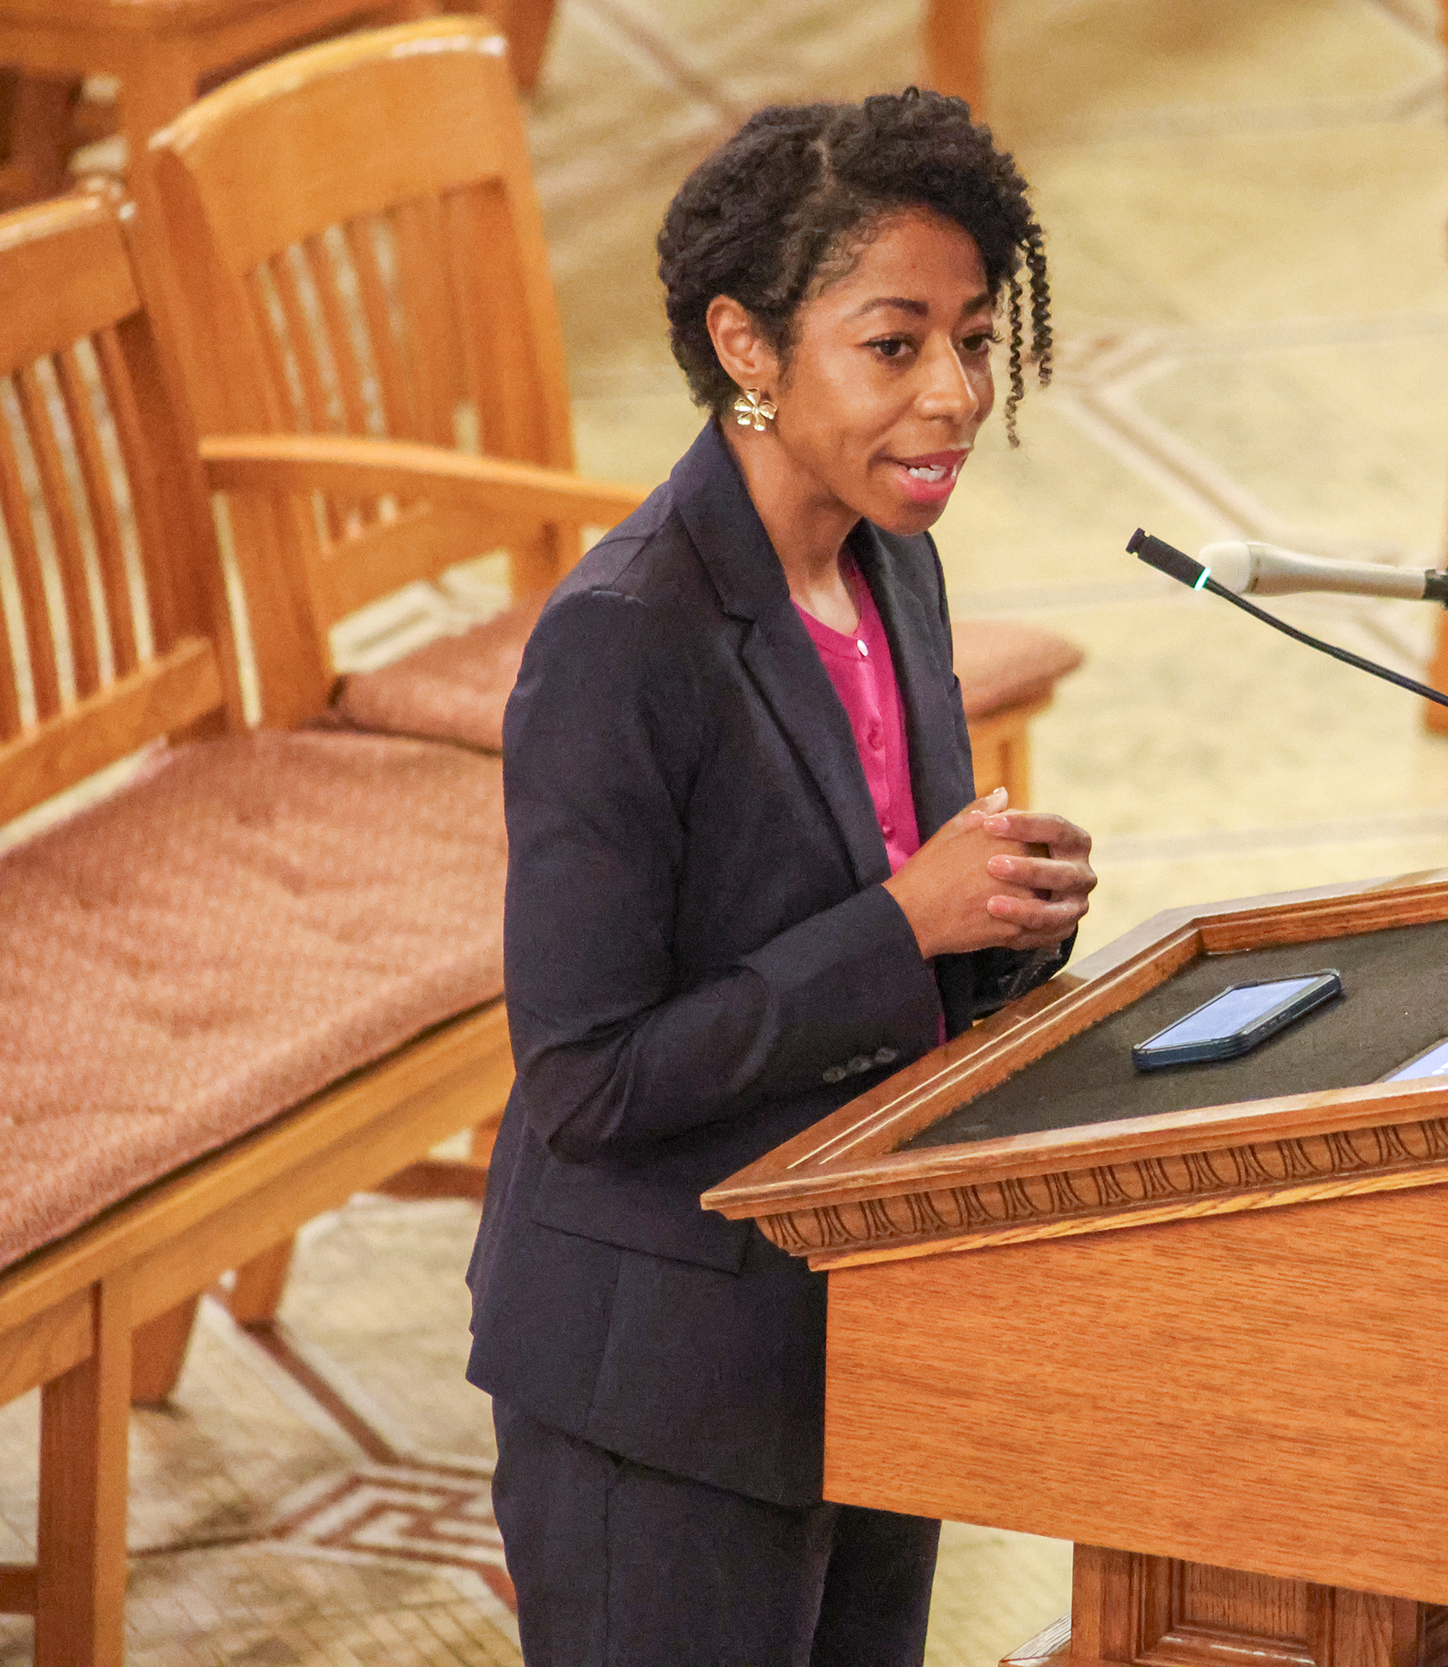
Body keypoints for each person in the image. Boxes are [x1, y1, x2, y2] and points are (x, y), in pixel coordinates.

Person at [466, 91, 1095, 1666]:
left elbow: (870, 916)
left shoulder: (896, 564)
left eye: (970, 336)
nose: (953, 394)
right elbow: (589, 1080)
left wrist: (999, 927)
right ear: (745, 346)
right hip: (663, 1376)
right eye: (895, 346)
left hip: (866, 1322)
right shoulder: (624, 642)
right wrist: (907, 922)